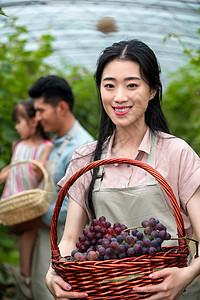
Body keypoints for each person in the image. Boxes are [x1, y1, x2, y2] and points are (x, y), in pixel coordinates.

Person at [45, 39, 200, 300]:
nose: (119, 97)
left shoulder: (176, 152)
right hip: (107, 290)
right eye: (109, 86)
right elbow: (69, 239)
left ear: (152, 90)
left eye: (132, 85)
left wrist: (188, 273)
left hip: (173, 291)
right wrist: (53, 272)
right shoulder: (85, 159)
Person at [25, 75, 93, 300]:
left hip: (66, 236)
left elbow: (79, 202)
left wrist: (36, 217)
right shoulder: (55, 143)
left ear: (61, 107)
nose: (37, 117)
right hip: (48, 231)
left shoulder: (82, 147)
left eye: (41, 110)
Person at [0, 98, 53, 299]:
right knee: (25, 233)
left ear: (33, 121)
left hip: (30, 198)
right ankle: (25, 276)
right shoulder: (18, 144)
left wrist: (39, 163)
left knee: (29, 233)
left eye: (19, 122)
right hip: (14, 197)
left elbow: (39, 174)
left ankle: (24, 275)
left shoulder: (46, 146)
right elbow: (9, 172)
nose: (16, 127)